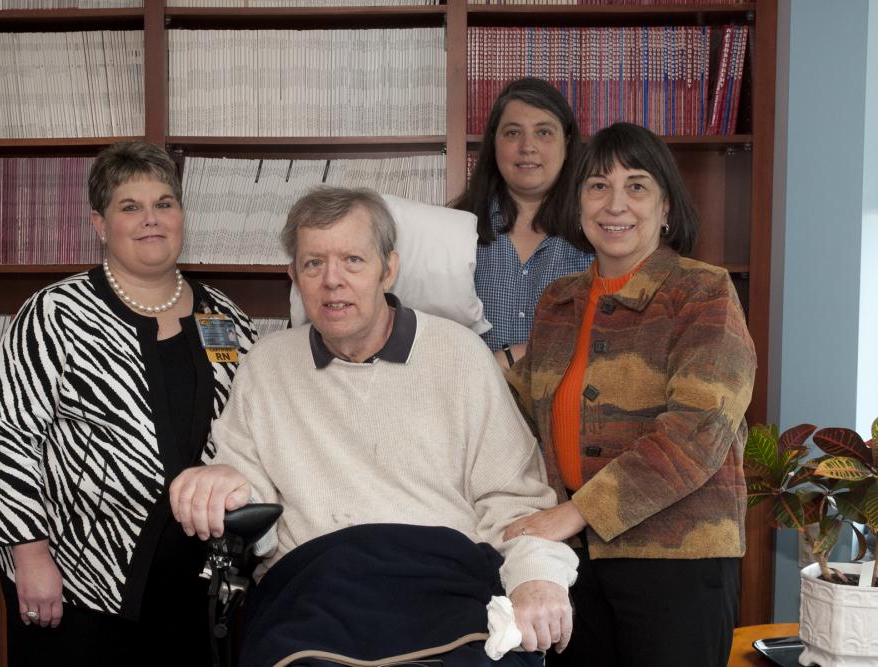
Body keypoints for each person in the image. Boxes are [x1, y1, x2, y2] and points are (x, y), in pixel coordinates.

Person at [169, 186, 578, 666]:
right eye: (313, 264)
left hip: (448, 586)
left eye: (353, 261)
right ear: (293, 277)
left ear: (389, 268)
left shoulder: (460, 355)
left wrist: (536, 576)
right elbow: (248, 496)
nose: (332, 281)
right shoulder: (266, 365)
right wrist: (222, 483)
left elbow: (515, 500)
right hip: (316, 593)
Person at [0, 141, 257, 666]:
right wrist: (31, 557)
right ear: (100, 224)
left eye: (164, 203)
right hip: (80, 579)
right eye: (130, 207)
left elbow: (254, 430)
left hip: (194, 581)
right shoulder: (54, 315)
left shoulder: (226, 317)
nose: (151, 219)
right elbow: (8, 441)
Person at [504, 122, 756, 667]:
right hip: (571, 562)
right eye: (597, 186)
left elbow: (696, 433)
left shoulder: (704, 292)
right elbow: (517, 413)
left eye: (637, 185)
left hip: (677, 562)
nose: (615, 203)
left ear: (666, 209)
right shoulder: (558, 301)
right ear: (577, 206)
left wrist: (574, 513)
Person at [453, 77, 593, 370]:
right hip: (474, 407)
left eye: (544, 132)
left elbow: (617, 338)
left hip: (572, 410)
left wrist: (512, 357)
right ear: (494, 143)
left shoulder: (598, 232)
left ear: (566, 143)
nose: (527, 147)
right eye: (513, 133)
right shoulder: (454, 231)